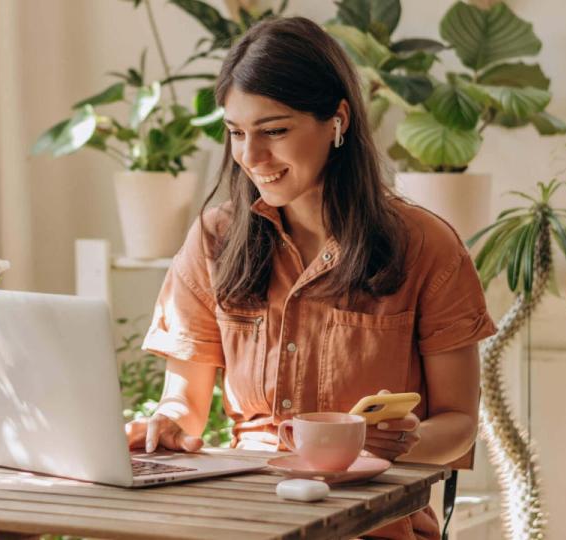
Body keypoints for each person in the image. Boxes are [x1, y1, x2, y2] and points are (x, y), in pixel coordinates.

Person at [125, 16, 497, 539]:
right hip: (243, 518)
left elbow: (460, 422)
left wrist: (405, 440)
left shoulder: (425, 245)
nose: (251, 157)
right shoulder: (216, 238)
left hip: (371, 523)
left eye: (274, 130)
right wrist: (164, 425)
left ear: (337, 121)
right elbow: (184, 404)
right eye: (236, 133)